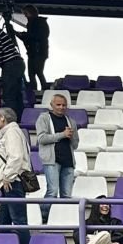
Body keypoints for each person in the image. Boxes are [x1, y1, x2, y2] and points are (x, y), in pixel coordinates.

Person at [36, 93, 79, 224]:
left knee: (66, 195)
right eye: (58, 104)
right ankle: (44, 218)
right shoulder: (44, 118)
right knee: (52, 191)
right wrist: (62, 134)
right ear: (52, 105)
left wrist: (70, 136)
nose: (61, 107)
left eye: (64, 105)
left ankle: (63, 219)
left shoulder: (71, 121)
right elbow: (41, 139)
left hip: (68, 161)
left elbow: (76, 144)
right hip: (52, 161)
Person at [0, 107, 31, 244]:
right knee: (4, 221)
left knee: (18, 219)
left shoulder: (12, 132)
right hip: (10, 182)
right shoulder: (11, 132)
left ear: (3, 118)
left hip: (12, 182)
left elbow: (15, 157)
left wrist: (7, 177)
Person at [0, 21, 25, 115]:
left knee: (9, 96)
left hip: (11, 64)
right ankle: (18, 120)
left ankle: (11, 121)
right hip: (15, 63)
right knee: (15, 95)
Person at [18, 5, 49, 91]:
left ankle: (44, 89)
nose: (25, 15)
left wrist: (25, 35)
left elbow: (39, 36)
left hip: (39, 52)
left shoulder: (40, 23)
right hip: (33, 52)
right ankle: (33, 91)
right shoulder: (31, 23)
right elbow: (30, 38)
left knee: (38, 71)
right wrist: (21, 35)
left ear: (31, 13)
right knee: (31, 73)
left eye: (26, 13)